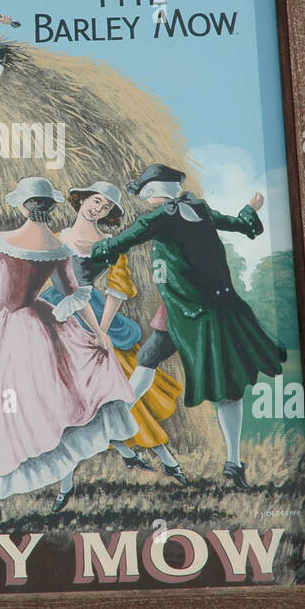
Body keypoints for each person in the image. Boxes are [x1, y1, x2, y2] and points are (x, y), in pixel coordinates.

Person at [0, 177, 139, 532]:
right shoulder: (58, 247)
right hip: (38, 328)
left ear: (22, 207)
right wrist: (97, 333)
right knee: (18, 412)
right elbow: (76, 296)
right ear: (48, 209)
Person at [90, 163, 287, 490]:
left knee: (150, 365)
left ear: (153, 193)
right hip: (210, 309)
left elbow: (122, 241)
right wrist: (250, 210)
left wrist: (91, 251)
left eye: (144, 193)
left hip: (187, 313)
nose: (144, 200)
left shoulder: (161, 216)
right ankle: (233, 462)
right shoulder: (200, 209)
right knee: (215, 385)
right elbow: (240, 225)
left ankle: (110, 423)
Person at [40, 181, 187, 484]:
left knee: (122, 392)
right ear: (81, 201)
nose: (98, 208)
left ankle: (166, 460)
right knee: (72, 396)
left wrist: (102, 331)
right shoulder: (56, 239)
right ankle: (81, 472)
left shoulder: (112, 244)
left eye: (106, 207)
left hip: (98, 317)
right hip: (58, 317)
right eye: (95, 201)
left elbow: (118, 291)